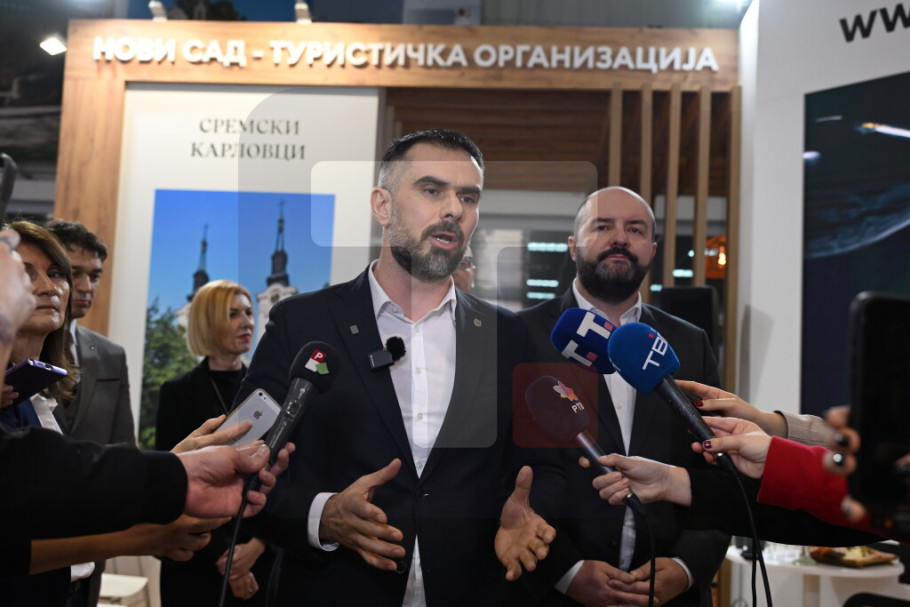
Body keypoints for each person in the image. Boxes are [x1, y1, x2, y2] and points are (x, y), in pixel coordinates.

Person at [237, 129, 537, 606]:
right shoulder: (301, 323)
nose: (454, 210)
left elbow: (540, 468)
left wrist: (530, 513)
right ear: (383, 206)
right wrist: (321, 516)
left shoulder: (509, 336)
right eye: (432, 190)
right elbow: (240, 466)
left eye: (468, 197)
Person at [0, 227, 291, 589]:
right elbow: (31, 501)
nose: (50, 286)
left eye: (56, 273)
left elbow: (76, 479)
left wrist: (179, 463)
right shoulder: (178, 389)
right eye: (26, 273)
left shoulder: (43, 391)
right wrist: (162, 504)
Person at [512, 187, 729, 606]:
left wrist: (686, 568)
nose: (619, 239)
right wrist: (567, 573)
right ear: (573, 246)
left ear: (652, 250)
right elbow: (499, 474)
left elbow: (719, 472)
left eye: (635, 229)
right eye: (602, 226)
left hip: (670, 596)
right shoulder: (518, 335)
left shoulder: (690, 343)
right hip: (551, 593)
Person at [156, 280, 276, 605]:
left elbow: (286, 474)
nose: (247, 322)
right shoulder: (177, 393)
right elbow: (171, 481)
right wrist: (224, 556)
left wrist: (258, 546)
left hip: (260, 555)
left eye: (249, 312)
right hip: (196, 556)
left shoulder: (270, 393)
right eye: (233, 314)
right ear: (207, 322)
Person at [47, 219, 134, 607]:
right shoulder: (13, 347)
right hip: (25, 539)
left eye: (95, 276)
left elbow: (123, 448)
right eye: (74, 272)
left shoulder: (111, 355)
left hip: (89, 544)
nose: (86, 286)